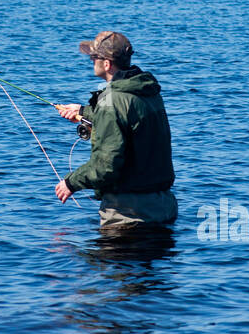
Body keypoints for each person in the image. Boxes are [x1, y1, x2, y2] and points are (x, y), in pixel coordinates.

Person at [54, 30, 178, 231]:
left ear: (106, 64)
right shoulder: (146, 92)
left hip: (128, 215)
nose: (91, 60)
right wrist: (84, 111)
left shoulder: (111, 101)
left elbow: (105, 166)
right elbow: (128, 117)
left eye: (94, 57)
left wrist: (70, 183)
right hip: (164, 207)